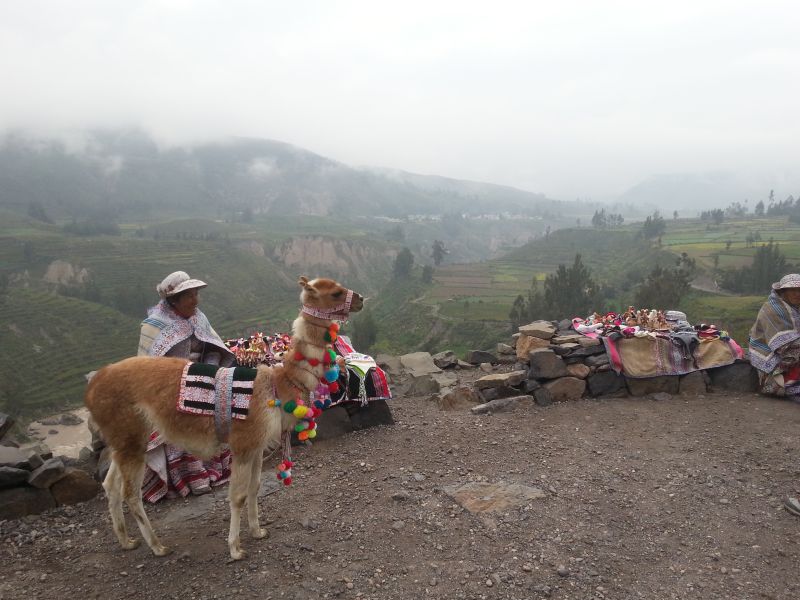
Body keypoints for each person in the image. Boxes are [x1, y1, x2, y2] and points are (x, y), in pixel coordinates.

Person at [138, 271, 236, 503]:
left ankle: (214, 470)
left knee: (220, 408)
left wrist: (209, 370)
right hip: (167, 390)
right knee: (179, 420)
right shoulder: (154, 326)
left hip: (201, 380)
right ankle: (189, 479)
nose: (196, 300)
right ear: (173, 300)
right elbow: (148, 368)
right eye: (189, 296)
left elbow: (213, 347)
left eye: (196, 294)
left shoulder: (197, 317)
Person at [748, 273, 800, 517]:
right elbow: (785, 346)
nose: (797, 294)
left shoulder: (795, 309)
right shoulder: (774, 310)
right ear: (782, 293)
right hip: (776, 358)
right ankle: (782, 384)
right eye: (793, 291)